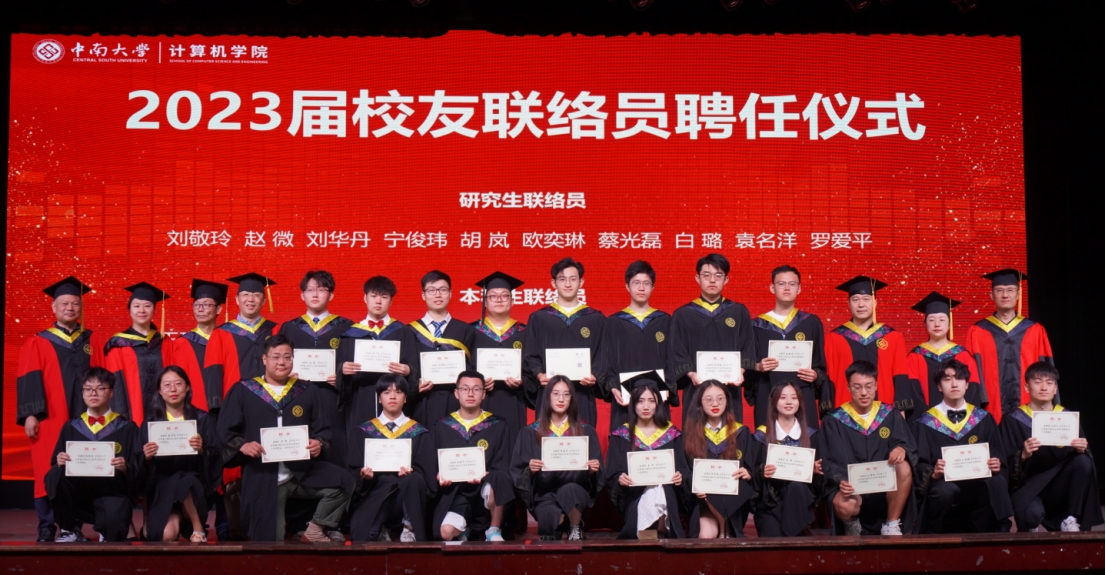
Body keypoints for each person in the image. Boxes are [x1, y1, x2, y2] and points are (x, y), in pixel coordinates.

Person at [216, 334, 353, 543]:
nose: (282, 362)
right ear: (264, 359)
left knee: (345, 482)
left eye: (287, 357)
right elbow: (225, 430)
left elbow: (323, 429)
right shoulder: (244, 391)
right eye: (276, 357)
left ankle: (315, 529)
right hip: (264, 476)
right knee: (270, 543)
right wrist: (242, 445)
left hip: (300, 472)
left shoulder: (306, 390)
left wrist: (319, 442)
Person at [16, 276, 106, 541]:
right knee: (47, 469)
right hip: (50, 417)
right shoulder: (39, 341)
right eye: (64, 303)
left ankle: (73, 526)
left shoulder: (93, 340)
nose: (70, 307)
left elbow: (104, 379)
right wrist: (31, 414)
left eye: (75, 303)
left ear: (81, 308)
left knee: (80, 469)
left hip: (86, 419)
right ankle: (46, 526)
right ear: (54, 307)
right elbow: (30, 378)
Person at [999, 362, 1102, 532]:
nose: (1044, 387)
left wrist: (1081, 449)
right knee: (1030, 515)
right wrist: (1023, 455)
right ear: (1026, 387)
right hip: (1029, 487)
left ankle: (1070, 518)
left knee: (1083, 461)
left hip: (1059, 486)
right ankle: (1032, 524)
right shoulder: (1012, 420)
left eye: (1049, 382)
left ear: (1055, 389)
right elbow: (1002, 462)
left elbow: (1081, 465)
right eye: (1037, 382)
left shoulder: (1068, 419)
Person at [912, 359, 1012, 534]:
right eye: (947, 379)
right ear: (939, 386)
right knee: (944, 490)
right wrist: (933, 472)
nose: (954, 384)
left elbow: (998, 454)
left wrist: (996, 464)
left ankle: (999, 531)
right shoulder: (925, 422)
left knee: (996, 482)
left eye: (959, 378)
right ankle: (934, 534)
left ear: (966, 385)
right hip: (944, 484)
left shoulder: (983, 418)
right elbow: (919, 462)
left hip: (977, 483)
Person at [820, 360, 916, 536]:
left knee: (904, 465)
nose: (864, 392)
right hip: (851, 489)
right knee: (845, 505)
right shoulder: (834, 420)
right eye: (857, 387)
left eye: (869, 386)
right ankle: (851, 525)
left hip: (884, 488)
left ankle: (891, 523)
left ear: (876, 386)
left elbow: (905, 442)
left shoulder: (890, 414)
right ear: (848, 387)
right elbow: (828, 459)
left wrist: (901, 448)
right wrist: (841, 480)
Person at [47, 367, 141, 542]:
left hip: (111, 493)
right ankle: (68, 529)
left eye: (100, 388)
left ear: (111, 393)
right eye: (88, 389)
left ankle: (107, 527)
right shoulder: (71, 426)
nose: (93, 393)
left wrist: (125, 467)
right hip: (78, 495)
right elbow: (55, 463)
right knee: (55, 475)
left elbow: (138, 468)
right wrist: (59, 461)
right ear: (82, 393)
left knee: (113, 534)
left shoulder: (127, 428)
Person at [511, 376, 603, 541]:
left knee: (570, 490)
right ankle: (559, 524)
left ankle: (575, 527)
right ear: (547, 397)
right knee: (548, 525)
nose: (561, 399)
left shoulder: (585, 430)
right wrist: (530, 470)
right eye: (556, 394)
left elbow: (597, 473)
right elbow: (517, 469)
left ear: (571, 398)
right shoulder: (530, 432)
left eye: (566, 394)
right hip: (545, 492)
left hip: (575, 488)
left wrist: (592, 470)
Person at [667, 253, 755, 423]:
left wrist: (741, 371)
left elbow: (748, 346)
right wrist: (691, 374)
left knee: (731, 432)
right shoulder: (683, 315)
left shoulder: (738, 312)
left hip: (730, 389)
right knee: (695, 433)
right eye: (707, 275)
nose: (712, 280)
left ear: (726, 279)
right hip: (696, 389)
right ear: (697, 278)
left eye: (718, 275)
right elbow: (676, 351)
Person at [346, 374, 434, 542]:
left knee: (414, 480)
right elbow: (353, 468)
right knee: (364, 535)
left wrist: (412, 473)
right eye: (386, 392)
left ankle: (409, 527)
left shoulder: (418, 432)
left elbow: (427, 471)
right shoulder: (364, 431)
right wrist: (363, 476)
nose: (392, 396)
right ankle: (382, 527)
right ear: (379, 399)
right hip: (377, 492)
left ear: (405, 398)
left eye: (398, 392)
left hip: (407, 496)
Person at [138, 366, 222, 542]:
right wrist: (146, 457)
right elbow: (138, 463)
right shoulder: (151, 423)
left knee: (185, 479)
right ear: (160, 390)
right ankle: (174, 516)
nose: (173, 389)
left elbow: (216, 455)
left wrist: (202, 450)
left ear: (188, 387)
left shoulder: (203, 420)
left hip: (194, 484)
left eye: (178, 384)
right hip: (162, 486)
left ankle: (198, 527)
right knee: (165, 535)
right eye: (167, 385)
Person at [278, 270, 353, 467]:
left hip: (332, 398)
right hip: (298, 397)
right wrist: (285, 375)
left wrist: (342, 378)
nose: (315, 294)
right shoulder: (289, 328)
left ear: (331, 295)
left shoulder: (346, 327)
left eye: (321, 289)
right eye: (310, 290)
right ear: (302, 295)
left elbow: (354, 366)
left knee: (335, 449)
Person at [523, 258, 608, 427]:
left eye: (573, 279)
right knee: (548, 439)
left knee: (582, 437)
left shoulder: (595, 319)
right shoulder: (539, 318)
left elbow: (603, 355)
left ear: (581, 282)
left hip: (582, 393)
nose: (568, 284)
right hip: (550, 394)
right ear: (553, 283)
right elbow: (530, 355)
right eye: (562, 279)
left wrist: (595, 376)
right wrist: (539, 375)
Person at [431, 371, 515, 542]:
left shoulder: (498, 425)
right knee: (445, 533)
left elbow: (503, 462)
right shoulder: (442, 426)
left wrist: (486, 475)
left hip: (486, 488)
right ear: (456, 393)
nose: (470, 394)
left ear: (483, 394)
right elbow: (434, 463)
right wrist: (440, 476)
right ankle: (466, 528)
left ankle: (494, 529)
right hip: (457, 491)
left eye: (476, 389)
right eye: (465, 389)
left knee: (500, 478)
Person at [965, 269, 1054, 422]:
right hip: (990, 410)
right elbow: (970, 375)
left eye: (1010, 290)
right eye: (999, 290)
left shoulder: (1035, 330)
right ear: (991, 295)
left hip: (1030, 409)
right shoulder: (977, 331)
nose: (1005, 295)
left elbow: (1047, 372)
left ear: (1018, 295)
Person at [823, 276, 915, 417]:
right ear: (849, 304)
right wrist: (828, 414)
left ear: (875, 303)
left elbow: (900, 376)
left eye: (866, 299)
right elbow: (828, 379)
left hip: (884, 414)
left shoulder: (892, 337)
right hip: (844, 415)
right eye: (855, 300)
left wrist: (900, 413)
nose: (861, 304)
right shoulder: (834, 338)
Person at [605, 384, 689, 539]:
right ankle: (659, 531)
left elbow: (683, 469)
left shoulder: (671, 434)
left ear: (658, 404)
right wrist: (620, 478)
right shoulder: (622, 435)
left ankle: (652, 531)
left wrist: (679, 477)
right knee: (651, 491)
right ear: (633, 403)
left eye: (651, 401)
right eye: (640, 401)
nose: (646, 406)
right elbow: (613, 471)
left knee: (659, 489)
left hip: (667, 492)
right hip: (634, 494)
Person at [337, 275, 417, 437]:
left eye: (384, 297)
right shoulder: (350, 334)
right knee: (360, 440)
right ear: (365, 298)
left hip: (393, 397)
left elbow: (414, 366)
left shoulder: (403, 332)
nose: (378, 301)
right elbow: (339, 369)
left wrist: (408, 370)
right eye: (373, 296)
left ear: (391, 301)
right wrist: (342, 370)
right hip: (361, 397)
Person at [750, 265, 828, 428]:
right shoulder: (757, 325)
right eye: (781, 283)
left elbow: (820, 364)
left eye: (792, 284)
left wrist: (815, 374)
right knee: (768, 438)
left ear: (799, 289)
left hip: (802, 394)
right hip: (768, 393)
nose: (787, 288)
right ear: (772, 288)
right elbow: (748, 365)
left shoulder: (811, 322)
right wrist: (758, 366)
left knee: (805, 437)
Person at [603, 260, 673, 432]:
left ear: (653, 287)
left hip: (657, 398)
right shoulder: (614, 323)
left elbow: (672, 359)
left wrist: (669, 386)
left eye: (646, 283)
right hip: (625, 399)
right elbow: (606, 360)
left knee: (659, 442)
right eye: (636, 283)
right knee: (624, 442)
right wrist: (613, 386)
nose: (641, 288)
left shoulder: (664, 321)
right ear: (627, 286)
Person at [684, 380, 758, 538]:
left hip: (732, 501)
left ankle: (726, 529)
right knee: (705, 536)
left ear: (727, 401)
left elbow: (751, 467)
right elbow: (685, 471)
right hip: (702, 501)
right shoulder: (690, 434)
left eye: (720, 398)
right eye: (708, 399)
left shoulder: (741, 432)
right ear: (699, 402)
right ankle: (725, 529)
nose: (715, 403)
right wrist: (694, 485)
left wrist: (747, 473)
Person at [753, 381, 824, 537]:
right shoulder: (761, 436)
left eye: (794, 397)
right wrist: (762, 471)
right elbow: (751, 472)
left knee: (796, 486)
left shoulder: (811, 435)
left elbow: (819, 482)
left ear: (800, 402)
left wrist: (814, 471)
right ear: (773, 401)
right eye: (783, 397)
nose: (789, 402)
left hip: (799, 501)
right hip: (770, 504)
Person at [407, 270, 476, 427]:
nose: (438, 295)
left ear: (450, 294)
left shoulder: (465, 330)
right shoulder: (409, 331)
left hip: (456, 402)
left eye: (443, 290)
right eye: (432, 290)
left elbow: (472, 367)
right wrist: (414, 385)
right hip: (422, 403)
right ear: (423, 295)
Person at [203, 272, 282, 407]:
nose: (250, 299)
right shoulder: (221, 333)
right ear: (237, 299)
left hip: (271, 403)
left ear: (264, 301)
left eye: (256, 295)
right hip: (234, 403)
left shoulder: (276, 330)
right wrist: (216, 406)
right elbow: (213, 373)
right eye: (245, 294)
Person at [470, 271, 530, 440]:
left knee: (513, 443)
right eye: (493, 296)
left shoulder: (524, 332)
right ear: (485, 301)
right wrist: (477, 382)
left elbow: (532, 369)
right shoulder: (471, 332)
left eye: (504, 296)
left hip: (513, 402)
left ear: (512, 301)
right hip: (480, 402)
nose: (499, 300)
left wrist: (522, 381)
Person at [906, 292, 983, 416]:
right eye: (931, 320)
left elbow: (973, 390)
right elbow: (912, 392)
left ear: (949, 323)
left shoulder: (963, 355)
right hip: (924, 421)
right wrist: (927, 420)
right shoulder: (914, 356)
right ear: (925, 324)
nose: (937, 324)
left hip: (959, 419)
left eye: (942, 319)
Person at [105, 282, 171, 425]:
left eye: (147, 306)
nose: (142, 310)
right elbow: (115, 384)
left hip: (163, 413)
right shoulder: (118, 344)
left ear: (154, 310)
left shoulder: (164, 342)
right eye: (136, 306)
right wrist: (121, 416)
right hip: (131, 414)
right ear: (129, 310)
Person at [167, 279, 228, 413]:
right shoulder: (182, 343)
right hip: (194, 410)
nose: (200, 309)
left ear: (218, 309)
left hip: (227, 409)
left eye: (206, 304)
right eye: (196, 305)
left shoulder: (227, 340)